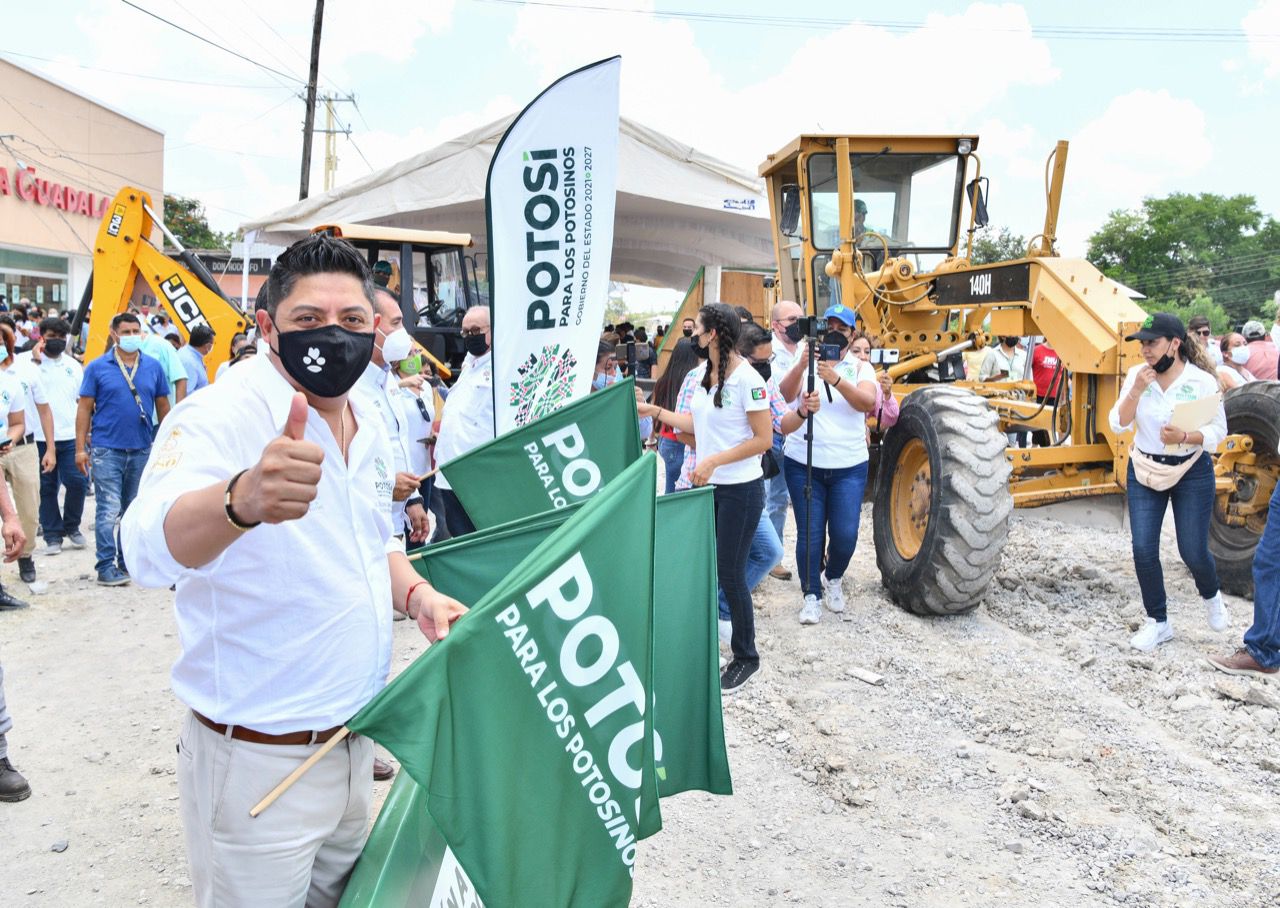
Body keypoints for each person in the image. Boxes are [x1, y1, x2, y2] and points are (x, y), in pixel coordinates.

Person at [119, 233, 467, 908]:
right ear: (268, 327)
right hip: (258, 764)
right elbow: (143, 549)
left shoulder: (368, 416)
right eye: (309, 321)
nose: (333, 338)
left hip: (352, 746)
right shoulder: (222, 414)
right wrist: (239, 501)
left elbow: (369, 544)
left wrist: (418, 594)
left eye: (353, 322)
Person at [639, 303, 772, 693]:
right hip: (707, 488)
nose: (691, 335)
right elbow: (695, 425)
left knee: (731, 574)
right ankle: (701, 645)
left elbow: (763, 440)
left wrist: (713, 460)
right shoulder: (700, 375)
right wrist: (654, 410)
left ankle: (746, 657)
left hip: (740, 491)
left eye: (695, 329)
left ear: (712, 334)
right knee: (704, 568)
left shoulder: (747, 379)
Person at [1108, 312, 1228, 652]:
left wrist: (1187, 435)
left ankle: (1211, 594)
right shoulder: (1136, 376)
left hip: (1191, 470)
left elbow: (1219, 431)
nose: (1145, 350)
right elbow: (1117, 423)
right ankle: (1158, 622)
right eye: (1142, 343)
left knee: (1192, 550)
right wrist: (1135, 391)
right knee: (1143, 549)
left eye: (1152, 343)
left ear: (1174, 344)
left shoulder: (1202, 381)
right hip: (1145, 468)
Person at [782, 307, 878, 624]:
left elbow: (867, 403)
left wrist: (834, 378)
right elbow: (785, 395)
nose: (836, 332)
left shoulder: (861, 368)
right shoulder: (804, 358)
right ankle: (811, 594)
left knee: (845, 534)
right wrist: (803, 362)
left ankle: (833, 576)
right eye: (830, 326)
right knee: (809, 534)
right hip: (804, 461)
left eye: (843, 328)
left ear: (853, 334)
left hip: (848, 465)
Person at [77, 313, 171, 586]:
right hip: (107, 448)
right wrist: (80, 448)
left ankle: (126, 561)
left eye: (136, 331)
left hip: (142, 448)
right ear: (114, 334)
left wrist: (168, 438)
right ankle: (105, 567)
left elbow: (163, 405)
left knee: (132, 509)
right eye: (126, 331)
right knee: (108, 508)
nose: (132, 336)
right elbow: (84, 408)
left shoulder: (152, 367)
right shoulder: (98, 367)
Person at [357, 289, 428, 548]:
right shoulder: (349, 390)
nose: (403, 333)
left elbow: (397, 444)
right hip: (367, 531)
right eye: (396, 323)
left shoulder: (387, 380)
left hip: (394, 526)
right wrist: (388, 488)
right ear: (372, 325)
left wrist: (412, 500)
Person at [23, 318, 87, 556]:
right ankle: (52, 534)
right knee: (46, 488)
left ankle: (72, 526)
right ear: (41, 337)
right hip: (39, 438)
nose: (58, 341)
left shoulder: (72, 365)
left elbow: (83, 402)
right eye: (52, 336)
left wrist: (85, 433)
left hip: (70, 436)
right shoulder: (29, 364)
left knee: (78, 482)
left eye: (62, 337)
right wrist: (32, 355)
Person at [0, 324, 55, 586]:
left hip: (22, 447)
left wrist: (50, 449)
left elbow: (43, 411)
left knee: (29, 510)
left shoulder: (24, 372)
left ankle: (26, 555)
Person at [433, 305, 493, 537]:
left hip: (475, 478)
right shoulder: (470, 364)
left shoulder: (500, 369)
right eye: (465, 333)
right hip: (449, 472)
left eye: (476, 330)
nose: (470, 337)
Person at [766, 300, 807, 581]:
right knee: (776, 498)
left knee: (810, 496)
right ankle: (773, 556)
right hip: (778, 432)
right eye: (792, 319)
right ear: (775, 325)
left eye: (801, 319)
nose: (798, 324)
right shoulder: (768, 351)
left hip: (805, 432)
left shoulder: (807, 347)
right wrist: (802, 367)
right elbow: (783, 393)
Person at [650, 339, 700, 495]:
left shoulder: (663, 381)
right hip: (685, 440)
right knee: (684, 491)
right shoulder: (694, 381)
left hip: (666, 441)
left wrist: (652, 439)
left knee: (671, 489)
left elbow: (655, 412)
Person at [850, 333, 898, 431]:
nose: (863, 356)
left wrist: (887, 395)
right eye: (856, 351)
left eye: (867, 352)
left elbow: (890, 419)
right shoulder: (834, 376)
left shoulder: (874, 386)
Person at [1030, 340, 1065, 446]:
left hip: (1055, 397)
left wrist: (1063, 398)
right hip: (1039, 396)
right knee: (1038, 425)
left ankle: (1058, 446)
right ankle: (1035, 447)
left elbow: (1064, 376)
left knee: (1057, 423)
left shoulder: (1062, 353)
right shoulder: (1037, 351)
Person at [178, 326, 215, 395]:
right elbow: (187, 393)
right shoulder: (190, 362)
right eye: (212, 344)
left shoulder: (189, 352)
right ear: (207, 346)